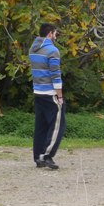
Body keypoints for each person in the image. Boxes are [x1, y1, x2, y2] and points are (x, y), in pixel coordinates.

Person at [29, 23, 66, 170]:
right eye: (55, 33)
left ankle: (38, 156)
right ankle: (47, 155)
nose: (56, 36)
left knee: (41, 126)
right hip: (50, 94)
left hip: (38, 92)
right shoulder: (52, 51)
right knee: (58, 126)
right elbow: (55, 75)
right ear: (50, 34)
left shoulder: (33, 49)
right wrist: (60, 96)